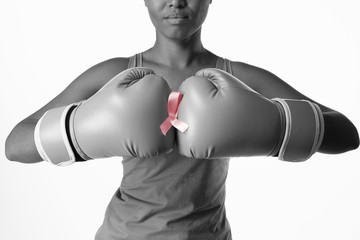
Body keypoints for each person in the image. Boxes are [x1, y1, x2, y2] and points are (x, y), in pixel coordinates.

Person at [5, 0, 359, 239]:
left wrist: (277, 126)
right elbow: (15, 144)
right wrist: (77, 131)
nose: (176, 1)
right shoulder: (115, 73)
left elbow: (347, 133)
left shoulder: (237, 77)